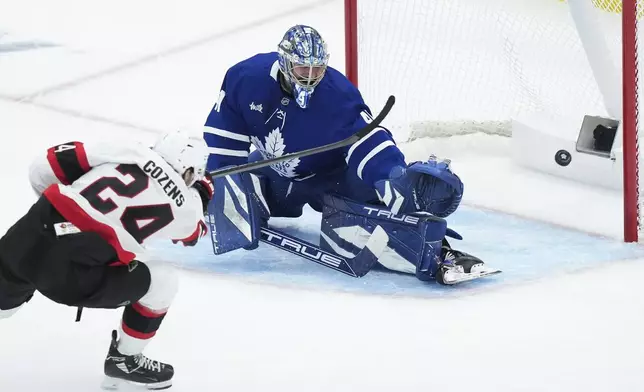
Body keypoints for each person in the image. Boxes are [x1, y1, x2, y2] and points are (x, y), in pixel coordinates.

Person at [202, 25, 487, 284]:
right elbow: (224, 138)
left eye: (318, 69)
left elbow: (368, 140)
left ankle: (438, 254)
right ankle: (251, 198)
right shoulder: (246, 78)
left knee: (362, 226)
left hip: (333, 179)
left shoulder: (338, 94)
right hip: (277, 177)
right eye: (303, 69)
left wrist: (392, 174)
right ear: (285, 63)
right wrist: (220, 188)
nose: (311, 77)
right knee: (243, 188)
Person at [0, 130, 214, 389]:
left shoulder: (126, 149)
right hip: (75, 273)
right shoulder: (186, 202)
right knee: (163, 281)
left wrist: (65, 218)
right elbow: (192, 235)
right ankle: (124, 361)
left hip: (32, 233)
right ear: (190, 173)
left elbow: (42, 167)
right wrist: (200, 194)